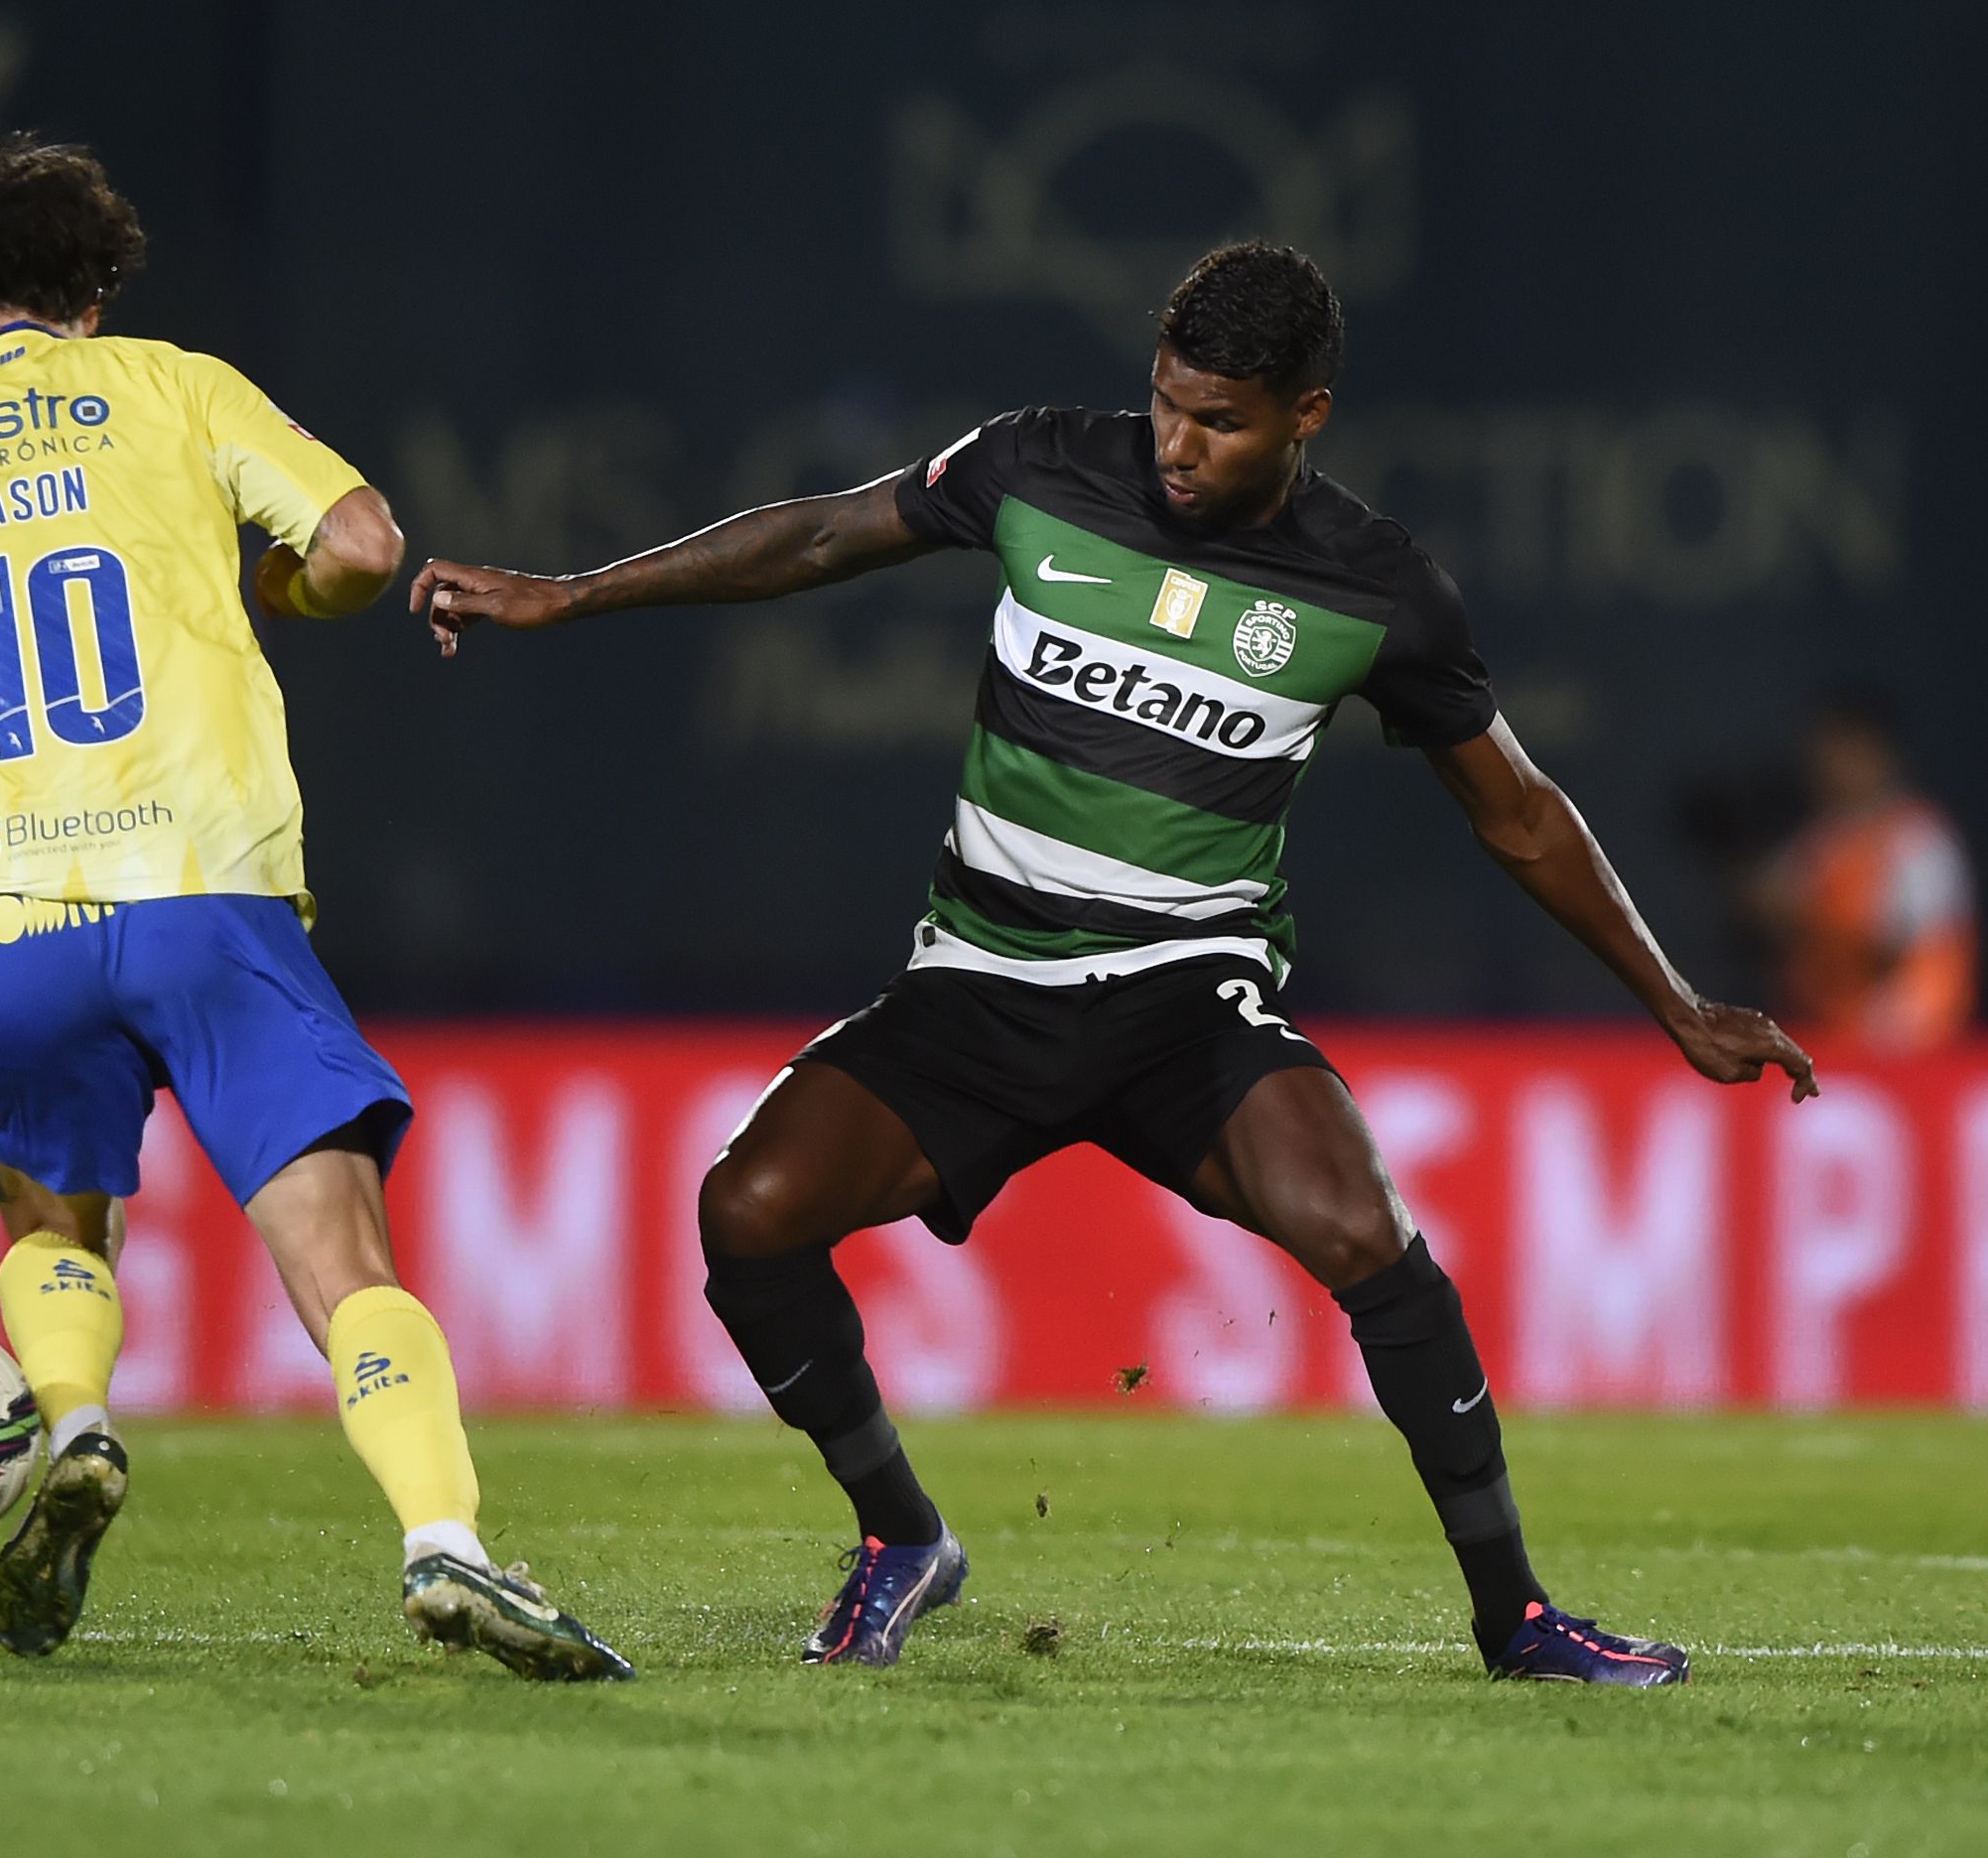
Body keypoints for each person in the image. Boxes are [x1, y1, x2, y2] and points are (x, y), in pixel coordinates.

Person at [410, 240, 1818, 1685]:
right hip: (977, 983)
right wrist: (569, 595)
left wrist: (1675, 1003)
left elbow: (1516, 812)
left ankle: (1516, 1619)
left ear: (1306, 416)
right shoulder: (1036, 466)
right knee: (746, 1214)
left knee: (1365, 1237)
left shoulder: (1374, 587)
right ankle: (902, 1535)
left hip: (1184, 1003)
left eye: (1220, 421)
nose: (1177, 445)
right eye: (1164, 403)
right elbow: (823, 536)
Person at [0, 139, 629, 1679]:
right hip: (207, 907)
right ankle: (445, 1545)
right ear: (91, 296)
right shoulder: (173, 388)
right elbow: (360, 544)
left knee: (51, 1221)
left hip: (12, 928)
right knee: (341, 1257)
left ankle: (81, 1427)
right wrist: (289, 593)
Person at [1755, 690, 1975, 1053]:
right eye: (1825, 750)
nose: (1831, 763)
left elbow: (1908, 943)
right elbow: (1769, 906)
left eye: (1845, 749)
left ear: (1880, 753)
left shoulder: (1918, 837)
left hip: (1911, 1037)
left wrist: (1815, 919)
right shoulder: (1822, 836)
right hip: (1833, 1033)